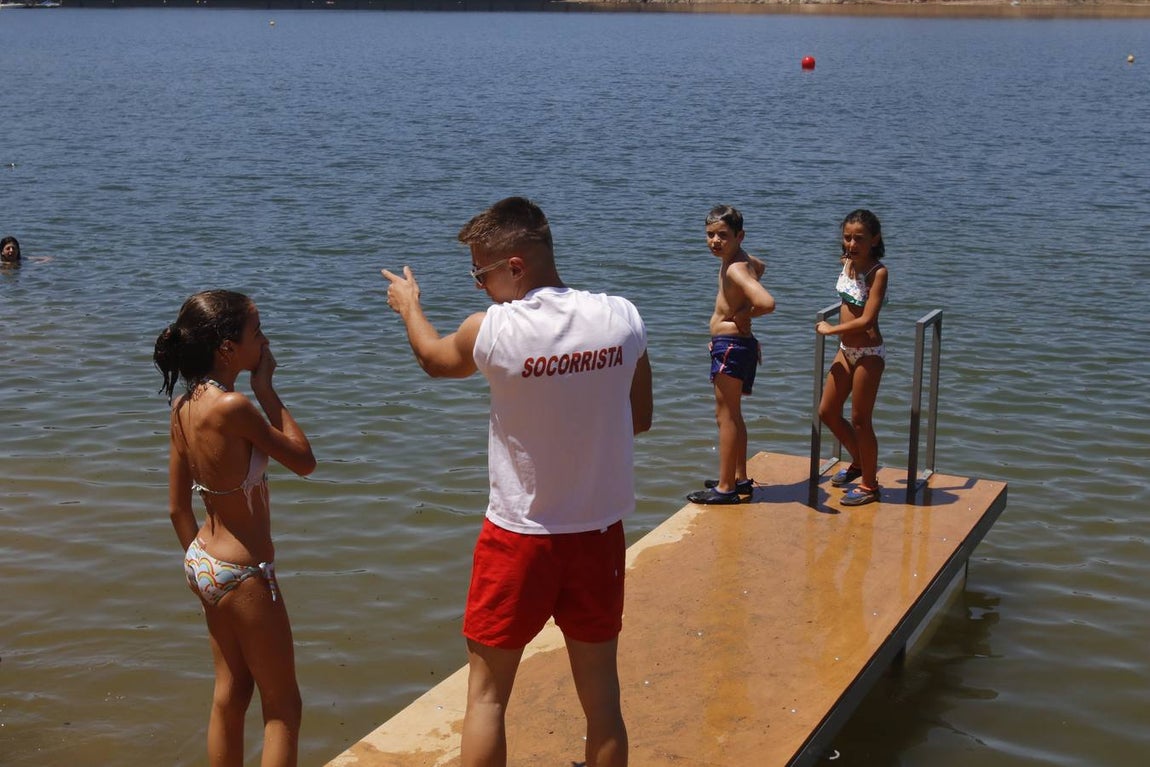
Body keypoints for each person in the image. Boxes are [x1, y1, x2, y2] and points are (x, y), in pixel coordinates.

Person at [381, 196, 652, 767]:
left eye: (481, 272)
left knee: (486, 696)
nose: (478, 287)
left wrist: (409, 305)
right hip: (598, 534)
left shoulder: (495, 331)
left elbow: (433, 360)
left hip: (518, 538)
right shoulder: (622, 316)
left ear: (515, 266)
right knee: (602, 697)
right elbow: (641, 418)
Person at [153, 290, 316, 767]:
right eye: (256, 331)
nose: (265, 341)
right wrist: (266, 389)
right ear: (227, 348)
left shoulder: (182, 407)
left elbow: (176, 508)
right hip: (245, 573)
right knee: (284, 708)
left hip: (204, 562)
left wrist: (204, 572)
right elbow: (304, 461)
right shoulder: (233, 407)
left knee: (231, 692)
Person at [686, 205, 776, 505]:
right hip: (739, 347)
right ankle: (738, 478)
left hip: (732, 347)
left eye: (723, 236)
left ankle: (725, 488)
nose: (715, 241)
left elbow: (767, 302)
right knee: (733, 414)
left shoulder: (736, 267)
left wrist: (744, 314)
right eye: (710, 235)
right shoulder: (741, 261)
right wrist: (740, 310)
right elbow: (759, 267)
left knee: (725, 416)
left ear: (740, 236)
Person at [816, 209, 890, 507]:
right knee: (827, 411)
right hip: (846, 351)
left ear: (875, 239)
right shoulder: (848, 263)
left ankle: (870, 485)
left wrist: (832, 329)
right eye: (847, 237)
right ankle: (859, 461)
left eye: (859, 238)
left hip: (869, 354)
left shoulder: (878, 273)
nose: (852, 244)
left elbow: (868, 320)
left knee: (861, 419)